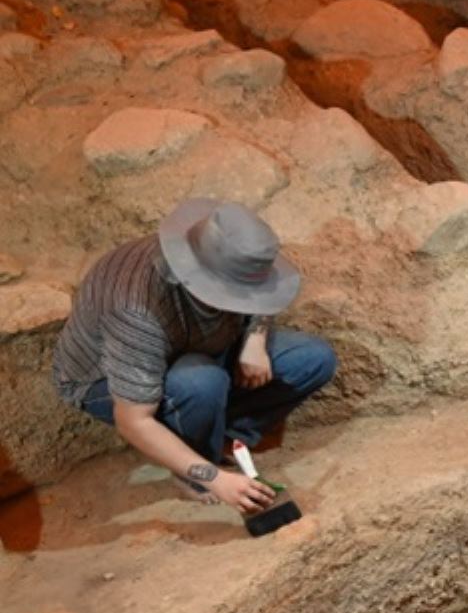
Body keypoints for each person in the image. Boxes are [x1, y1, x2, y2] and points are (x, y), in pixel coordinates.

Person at [51, 198, 337, 513]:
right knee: (200, 382)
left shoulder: (216, 248)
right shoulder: (135, 311)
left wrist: (255, 339)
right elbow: (133, 421)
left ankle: (223, 436)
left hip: (200, 346)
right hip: (110, 382)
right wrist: (214, 478)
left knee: (313, 358)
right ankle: (195, 471)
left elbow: (260, 290)